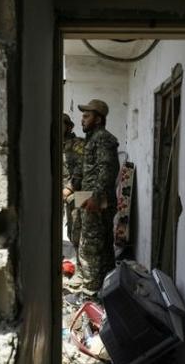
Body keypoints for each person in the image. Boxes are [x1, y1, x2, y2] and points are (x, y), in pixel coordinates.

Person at [75, 99, 119, 295]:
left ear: (98, 119)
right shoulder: (93, 138)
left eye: (87, 116)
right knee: (100, 243)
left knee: (91, 245)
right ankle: (106, 285)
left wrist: (95, 196)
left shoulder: (102, 138)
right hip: (89, 196)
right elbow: (89, 170)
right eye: (83, 116)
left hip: (96, 198)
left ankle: (91, 290)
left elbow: (107, 170)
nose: (82, 120)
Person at [61, 113, 85, 256]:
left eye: (61, 124)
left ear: (69, 127)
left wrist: (69, 188)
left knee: (76, 229)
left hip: (75, 193)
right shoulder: (51, 143)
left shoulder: (78, 144)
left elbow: (80, 168)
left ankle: (80, 260)